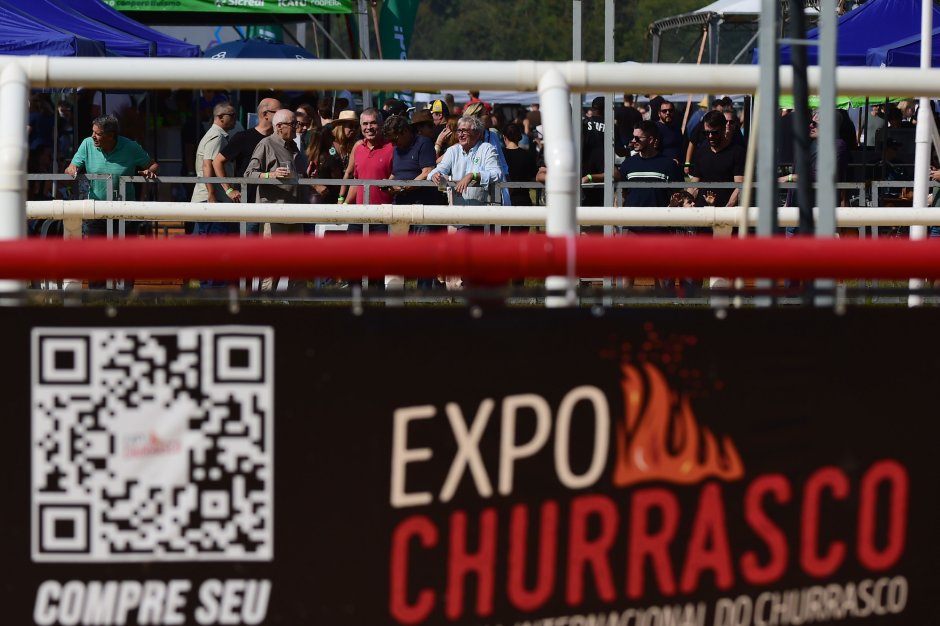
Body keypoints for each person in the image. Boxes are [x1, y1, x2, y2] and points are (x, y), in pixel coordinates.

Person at [245, 109, 310, 290]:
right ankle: (267, 299)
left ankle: (297, 299)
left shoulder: (294, 146)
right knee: (273, 261)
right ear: (280, 126)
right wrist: (270, 175)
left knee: (298, 262)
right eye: (293, 124)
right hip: (274, 213)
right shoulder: (266, 144)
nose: (297, 127)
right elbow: (249, 174)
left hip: (295, 211)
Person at [65, 114, 158, 238]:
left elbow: (153, 165)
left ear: (111, 136)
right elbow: (71, 167)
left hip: (126, 211)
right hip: (96, 211)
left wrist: (149, 171)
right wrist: (71, 169)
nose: (93, 136)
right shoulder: (87, 144)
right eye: (93, 132)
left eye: (98, 133)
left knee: (124, 250)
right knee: (95, 249)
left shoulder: (131, 147)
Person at [383, 114, 446, 289]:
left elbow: (427, 172)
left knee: (424, 252)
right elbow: (395, 173)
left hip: (422, 204)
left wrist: (404, 187)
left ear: (404, 131)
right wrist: (388, 184)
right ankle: (395, 290)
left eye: (395, 139)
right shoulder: (397, 148)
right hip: (400, 204)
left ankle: (424, 292)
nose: (393, 144)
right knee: (396, 251)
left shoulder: (424, 143)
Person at [213, 97, 282, 206]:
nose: (282, 116)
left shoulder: (279, 139)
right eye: (279, 113)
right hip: (247, 202)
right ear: (265, 114)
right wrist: (229, 190)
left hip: (273, 202)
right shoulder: (243, 137)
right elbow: (217, 162)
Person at [429, 115, 502, 209]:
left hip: (481, 212)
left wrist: (473, 175)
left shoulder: (487, 149)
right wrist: (436, 174)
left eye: (465, 131)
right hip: (457, 212)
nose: (460, 134)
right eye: (459, 131)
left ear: (477, 133)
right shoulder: (453, 150)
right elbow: (437, 170)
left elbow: (497, 174)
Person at [343, 108, 393, 235]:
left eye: (373, 123)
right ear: (360, 127)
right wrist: (344, 203)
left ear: (381, 124)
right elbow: (357, 181)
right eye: (365, 124)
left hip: (383, 215)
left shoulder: (392, 147)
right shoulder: (358, 148)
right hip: (359, 214)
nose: (369, 127)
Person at [192, 102, 238, 237]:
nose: (235, 119)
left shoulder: (216, 135)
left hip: (210, 198)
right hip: (212, 199)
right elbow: (207, 165)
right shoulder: (217, 136)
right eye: (232, 115)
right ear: (221, 117)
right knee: (214, 243)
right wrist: (212, 195)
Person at [688, 110, 745, 209]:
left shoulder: (737, 152)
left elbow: (739, 186)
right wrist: (685, 199)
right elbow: (695, 182)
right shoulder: (702, 151)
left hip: (725, 210)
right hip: (702, 209)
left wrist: (726, 210)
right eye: (706, 133)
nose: (710, 136)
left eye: (714, 133)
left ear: (723, 129)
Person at [502, 122, 538, 211]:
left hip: (504, 200)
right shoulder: (528, 155)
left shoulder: (500, 155)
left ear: (504, 137)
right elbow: (534, 177)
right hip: (524, 200)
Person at [654, 99, 686, 166]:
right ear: (659, 113)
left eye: (670, 110)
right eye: (664, 111)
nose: (668, 113)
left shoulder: (677, 127)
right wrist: (667, 160)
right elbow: (653, 150)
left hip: (679, 166)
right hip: (663, 166)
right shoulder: (655, 128)